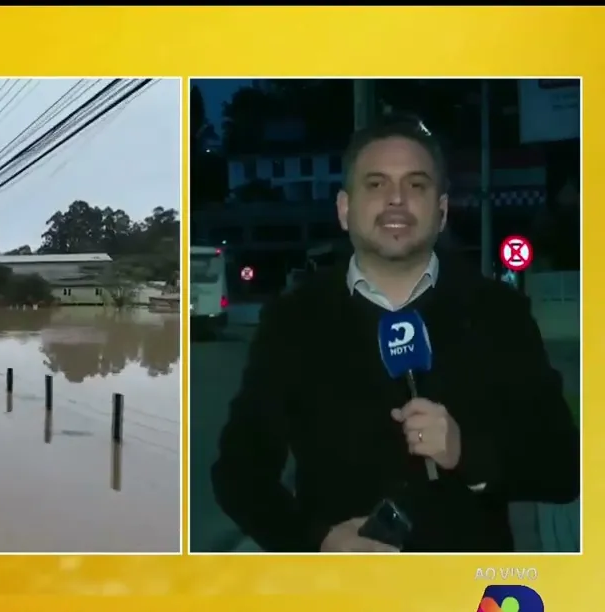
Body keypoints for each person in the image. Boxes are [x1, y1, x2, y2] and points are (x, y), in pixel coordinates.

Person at [210, 116, 579, 553]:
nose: (397, 199)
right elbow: (238, 474)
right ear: (344, 210)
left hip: (470, 602)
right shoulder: (293, 319)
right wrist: (316, 541)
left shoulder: (499, 314)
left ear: (441, 212)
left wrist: (468, 453)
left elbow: (563, 468)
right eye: (376, 184)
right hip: (343, 601)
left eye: (417, 185)